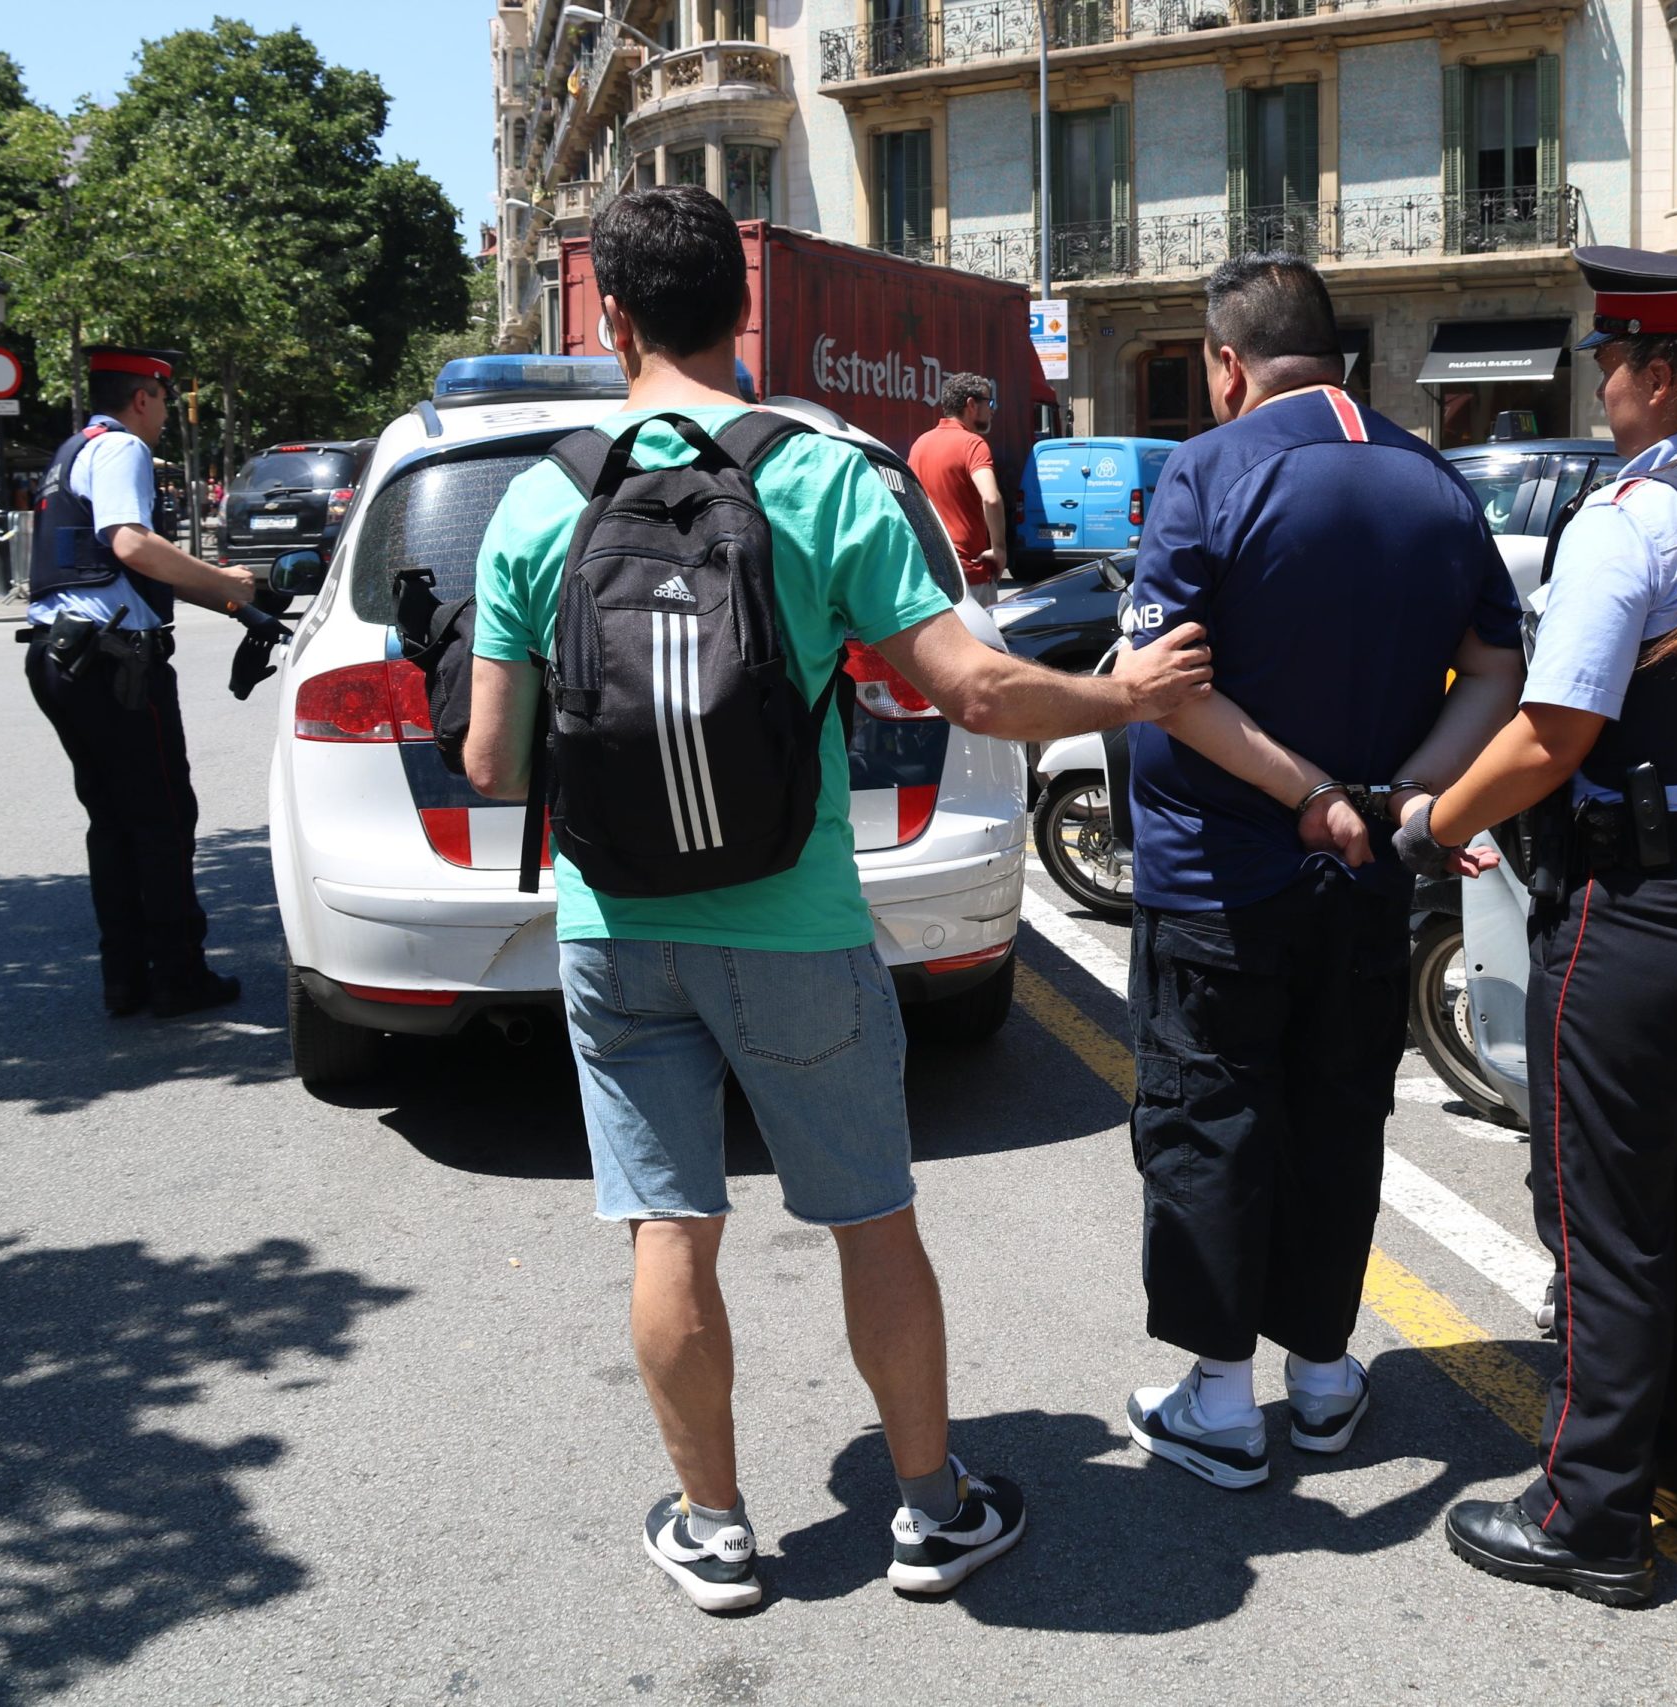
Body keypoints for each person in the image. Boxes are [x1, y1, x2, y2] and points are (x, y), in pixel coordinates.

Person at [461, 186, 1214, 1614]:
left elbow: (495, 759)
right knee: (871, 1215)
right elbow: (975, 686)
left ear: (609, 317)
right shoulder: (816, 476)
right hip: (794, 919)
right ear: (742, 313)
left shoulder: (538, 499)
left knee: (668, 1224)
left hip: (615, 929)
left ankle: (718, 1526)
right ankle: (932, 1512)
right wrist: (1129, 691)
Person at [1397, 247, 1677, 1607]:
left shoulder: (1634, 517)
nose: (1601, 381)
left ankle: (1587, 1509)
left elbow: (1553, 728)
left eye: (1609, 358)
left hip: (1649, 906)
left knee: (1604, 1215)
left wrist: (1428, 816)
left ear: (1658, 372)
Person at [1112, 254, 1525, 1489]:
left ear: (1227, 362)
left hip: (1220, 874)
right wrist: (1400, 797)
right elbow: (1498, 672)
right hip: (1366, 878)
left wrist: (1309, 798)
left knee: (1209, 1116)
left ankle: (1222, 1403)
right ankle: (1328, 1377)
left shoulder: (1209, 468)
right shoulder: (1433, 478)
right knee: (1339, 1112)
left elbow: (1165, 687)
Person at [21, 346, 282, 1020]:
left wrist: (231, 601)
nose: (167, 415)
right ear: (143, 397)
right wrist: (226, 580)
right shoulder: (122, 450)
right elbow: (131, 544)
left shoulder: (71, 451)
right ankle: (178, 975)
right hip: (115, 666)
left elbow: (119, 571)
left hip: (62, 659)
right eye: (165, 400)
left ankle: (125, 978)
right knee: (162, 819)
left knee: (113, 823)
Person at [908, 372, 1005, 604]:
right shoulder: (973, 444)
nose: (992, 410)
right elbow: (991, 498)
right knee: (981, 641)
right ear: (971, 404)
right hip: (970, 576)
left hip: (931, 571)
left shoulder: (920, 444)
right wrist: (999, 549)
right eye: (989, 402)